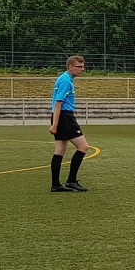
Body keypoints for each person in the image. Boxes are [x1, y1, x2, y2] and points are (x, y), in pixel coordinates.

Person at [48, 55, 90, 192]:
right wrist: (55, 125)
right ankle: (71, 181)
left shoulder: (65, 78)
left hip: (61, 117)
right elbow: (58, 103)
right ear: (71, 67)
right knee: (83, 147)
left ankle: (56, 185)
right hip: (64, 117)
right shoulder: (66, 81)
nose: (82, 69)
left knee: (60, 150)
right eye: (79, 67)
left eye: (83, 66)